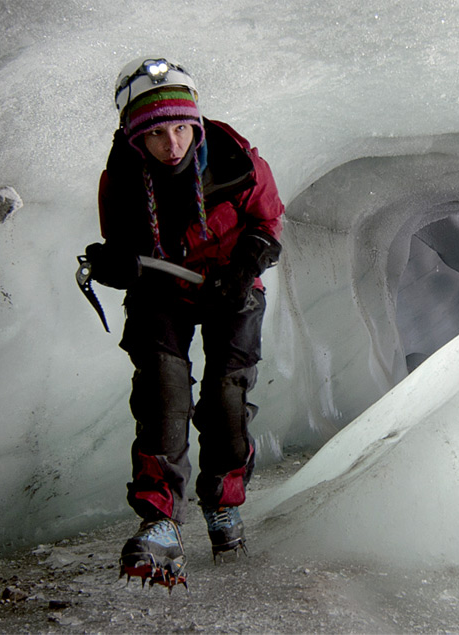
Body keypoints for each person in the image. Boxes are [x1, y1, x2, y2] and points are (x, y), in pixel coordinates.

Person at [84, 57, 284, 589]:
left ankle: (223, 507)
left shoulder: (237, 161)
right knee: (162, 392)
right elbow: (127, 251)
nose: (171, 145)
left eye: (180, 128)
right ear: (135, 137)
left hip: (232, 285)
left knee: (226, 395)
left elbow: (268, 221)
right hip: (164, 290)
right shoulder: (123, 181)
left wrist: (243, 270)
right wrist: (115, 264)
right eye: (156, 134)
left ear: (194, 124)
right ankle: (160, 518)